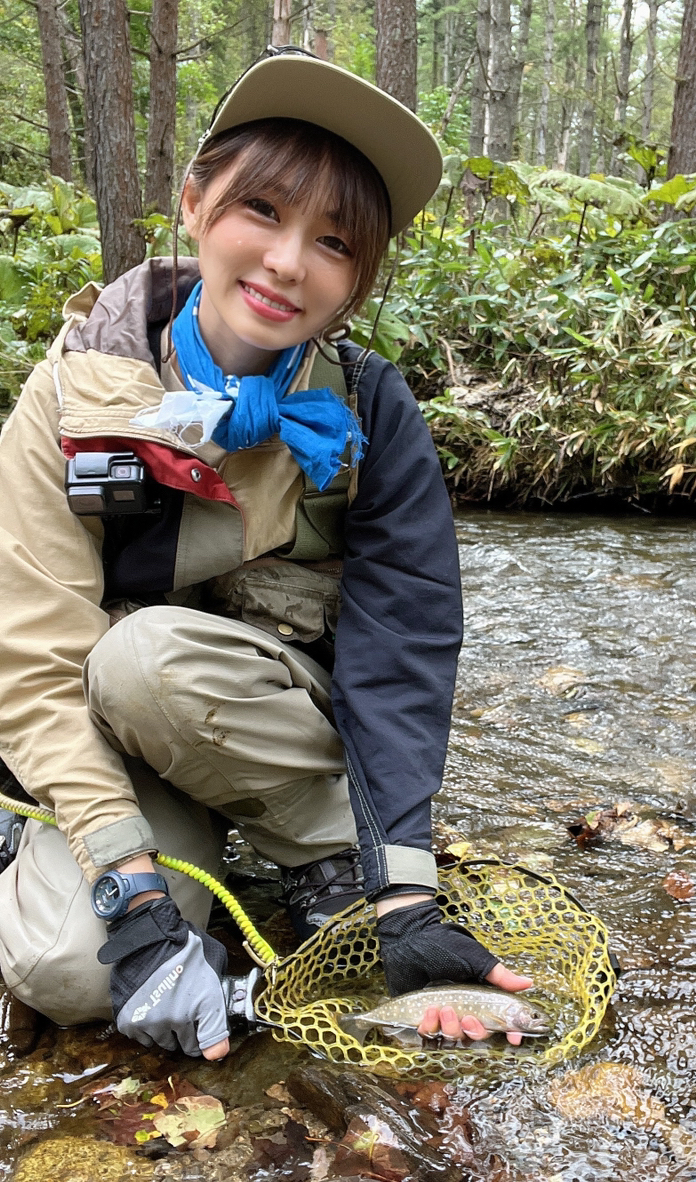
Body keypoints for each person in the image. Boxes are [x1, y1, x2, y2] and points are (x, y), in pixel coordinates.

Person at [0, 47, 531, 1060]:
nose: (290, 262)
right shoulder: (68, 400)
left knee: (147, 658)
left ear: (359, 279)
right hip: (107, 735)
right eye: (264, 212)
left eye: (334, 241)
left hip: (274, 724)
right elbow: (34, 661)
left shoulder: (373, 413)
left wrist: (405, 888)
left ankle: (331, 866)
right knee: (69, 968)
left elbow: (402, 650)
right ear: (196, 203)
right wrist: (130, 887)